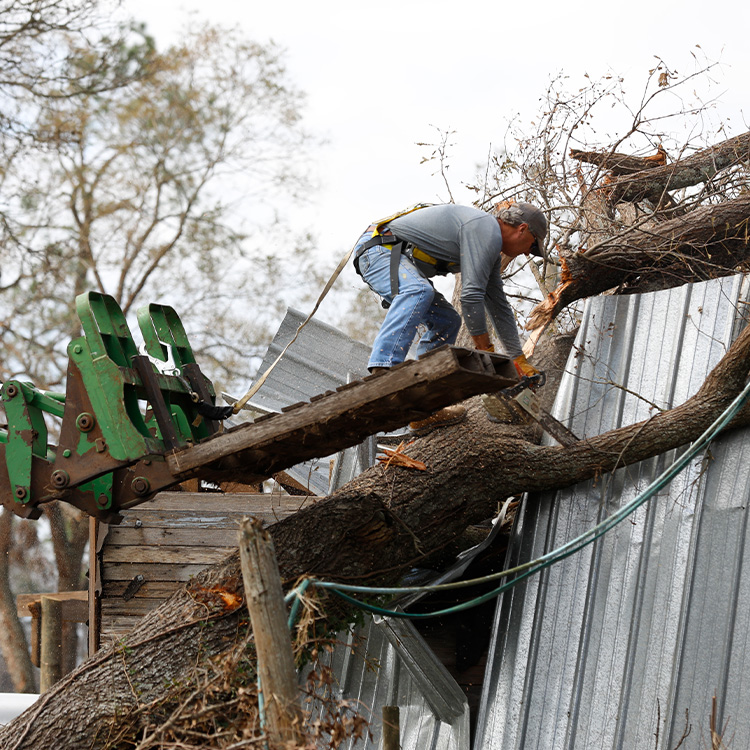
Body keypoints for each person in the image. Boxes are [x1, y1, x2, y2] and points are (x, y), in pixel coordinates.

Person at [353, 201, 547, 433]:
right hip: (380, 250)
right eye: (532, 246)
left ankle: (424, 409)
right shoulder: (486, 228)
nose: (528, 252)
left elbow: (497, 305)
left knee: (447, 321)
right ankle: (382, 374)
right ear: (522, 229)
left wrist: (517, 358)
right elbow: (471, 296)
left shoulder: (490, 247)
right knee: (418, 291)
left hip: (396, 258)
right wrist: (487, 352)